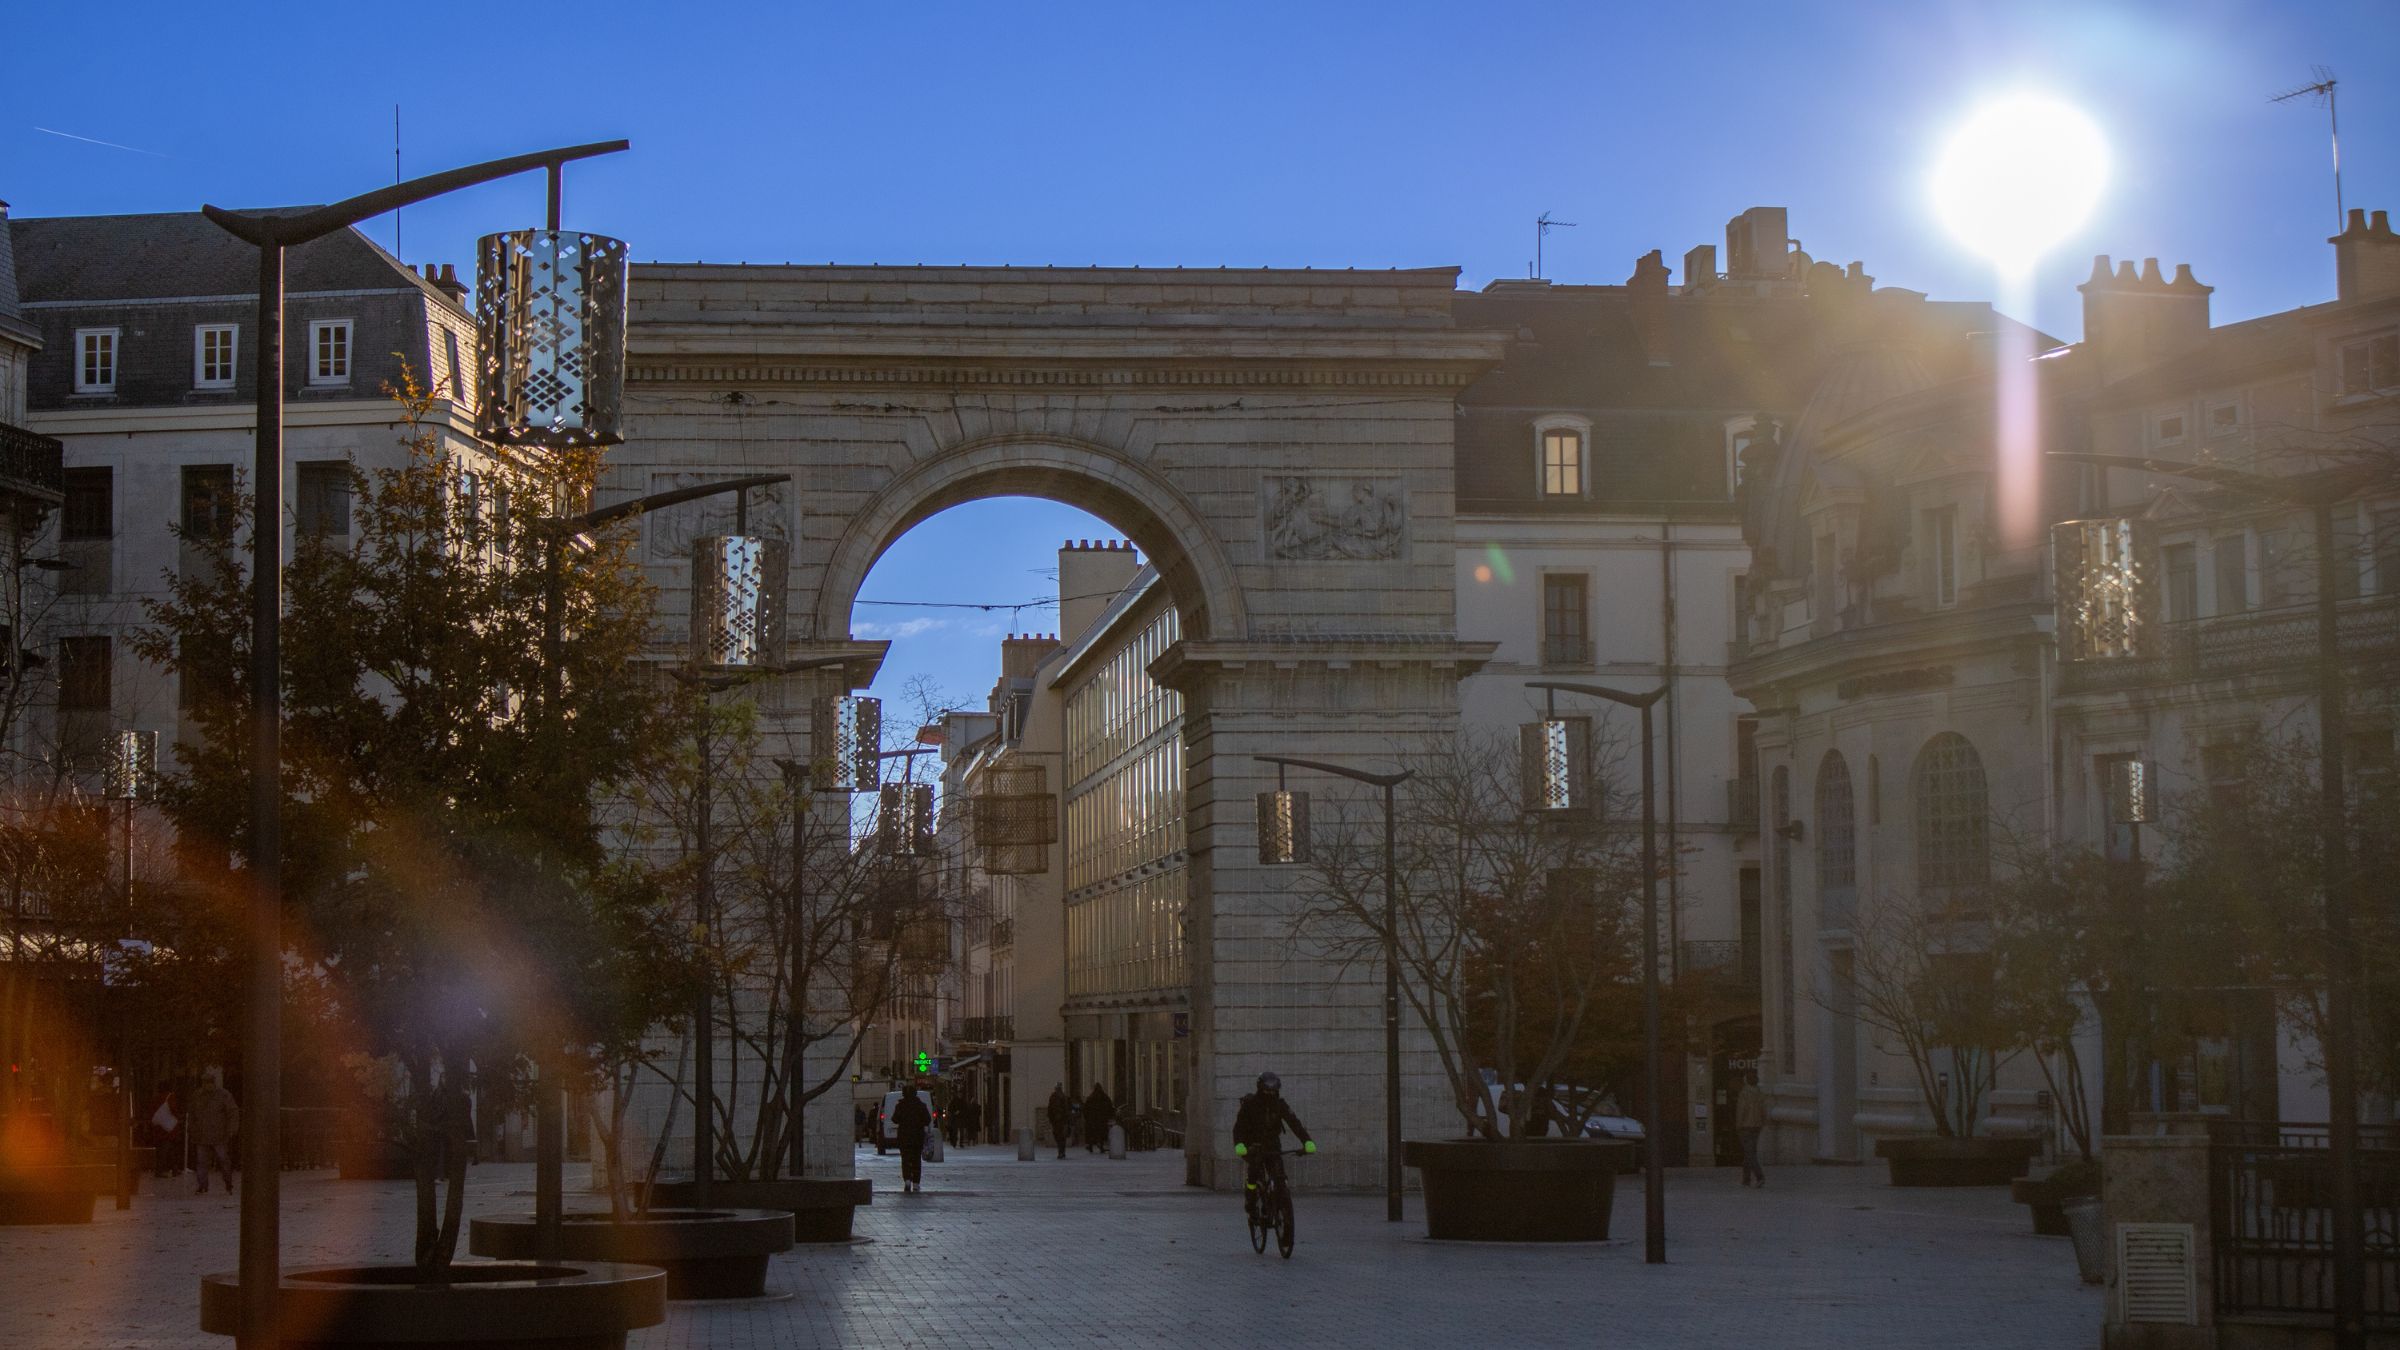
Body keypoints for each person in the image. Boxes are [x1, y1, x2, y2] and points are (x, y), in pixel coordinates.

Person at [1231, 1071, 1313, 1219]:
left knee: (1279, 1174)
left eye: (1273, 1091)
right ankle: (1250, 1201)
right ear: (1260, 1089)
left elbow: (1294, 1123)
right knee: (1254, 1172)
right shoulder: (1250, 1105)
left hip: (1272, 1145)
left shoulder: (1280, 1105)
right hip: (1253, 1146)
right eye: (1267, 1090)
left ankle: (1280, 1204)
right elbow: (1239, 1128)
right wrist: (1240, 1145)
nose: (1270, 1094)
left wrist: (1307, 1141)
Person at [189, 1073, 240, 1195]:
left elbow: (232, 1112)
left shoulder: (223, 1095)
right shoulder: (198, 1095)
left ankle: (228, 1183)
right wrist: (192, 1128)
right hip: (202, 1135)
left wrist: (232, 1128)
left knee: (223, 1160)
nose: (207, 1085)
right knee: (202, 1161)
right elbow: (192, 1114)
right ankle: (203, 1185)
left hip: (219, 1134)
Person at [891, 1085, 933, 1192]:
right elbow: (928, 1120)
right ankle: (916, 1183)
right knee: (916, 1159)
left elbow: (895, 1119)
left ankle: (907, 1180)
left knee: (905, 1159)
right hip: (917, 1136)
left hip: (904, 1136)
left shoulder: (900, 1106)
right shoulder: (921, 1106)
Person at [1735, 1070, 1767, 1188]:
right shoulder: (1760, 1093)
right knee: (1749, 1152)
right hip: (1757, 1126)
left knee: (1750, 1153)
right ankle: (1746, 1179)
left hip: (1745, 1126)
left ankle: (1759, 1176)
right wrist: (1763, 1121)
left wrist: (1738, 1124)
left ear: (1746, 1080)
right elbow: (1764, 1110)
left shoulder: (1744, 1093)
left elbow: (1741, 1111)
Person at [1082, 1081, 1115, 1155]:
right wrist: (1109, 1115)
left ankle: (1091, 1145)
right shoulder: (1104, 1097)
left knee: (1092, 1133)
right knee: (1101, 1133)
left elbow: (1085, 1109)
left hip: (1092, 1120)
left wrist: (1087, 1117)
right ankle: (1101, 1145)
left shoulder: (1091, 1098)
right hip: (1101, 1119)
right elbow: (1109, 1107)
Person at [1045, 1084, 1070, 1159]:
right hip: (1058, 1120)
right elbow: (1050, 1108)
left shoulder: (1062, 1097)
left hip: (1059, 1120)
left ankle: (1061, 1152)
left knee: (1060, 1136)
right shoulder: (1056, 1097)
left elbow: (1065, 1109)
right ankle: (1061, 1151)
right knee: (1060, 1136)